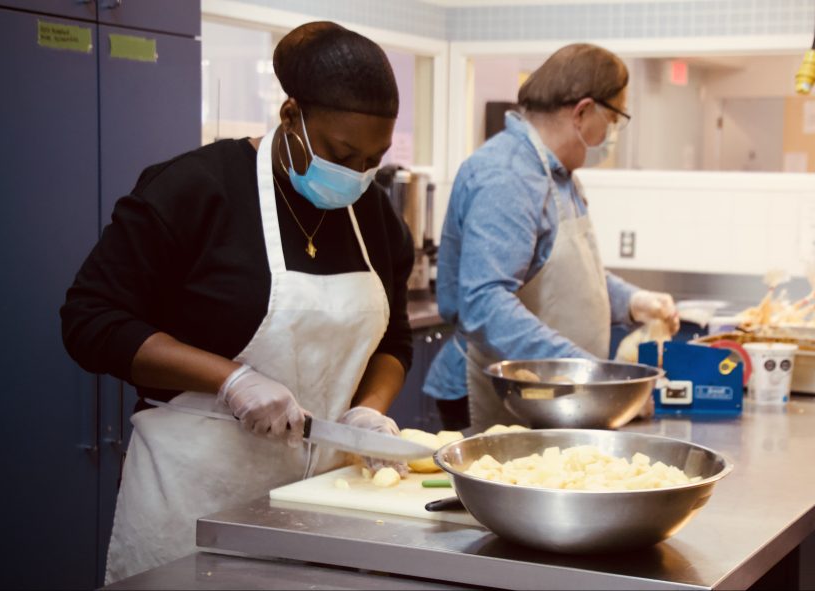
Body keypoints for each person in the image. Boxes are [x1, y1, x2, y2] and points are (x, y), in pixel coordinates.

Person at [60, 22, 414, 583]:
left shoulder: (373, 216)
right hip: (193, 505)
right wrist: (231, 381)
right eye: (342, 152)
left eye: (373, 158)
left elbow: (394, 340)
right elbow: (90, 320)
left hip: (322, 502)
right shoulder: (193, 190)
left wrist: (370, 407)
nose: (356, 173)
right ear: (291, 115)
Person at [431, 43, 679, 431]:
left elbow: (562, 277)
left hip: (551, 398)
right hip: (502, 396)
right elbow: (484, 304)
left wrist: (632, 303)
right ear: (582, 112)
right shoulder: (507, 176)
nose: (612, 134)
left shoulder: (558, 176)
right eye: (614, 120)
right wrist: (587, 375)